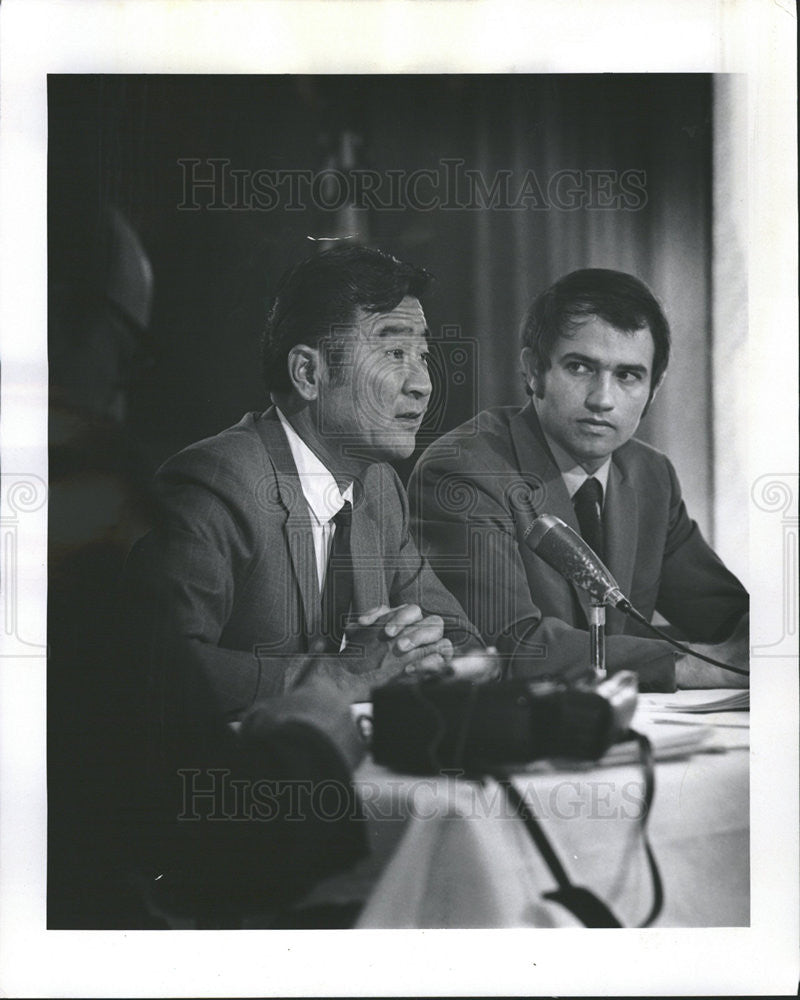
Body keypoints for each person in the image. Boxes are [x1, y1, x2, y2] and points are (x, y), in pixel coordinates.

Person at [125, 245, 497, 924]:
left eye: (423, 355)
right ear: (308, 372)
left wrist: (435, 657)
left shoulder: (377, 486)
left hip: (333, 810)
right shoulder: (218, 483)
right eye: (394, 353)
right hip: (226, 842)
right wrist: (343, 676)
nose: (422, 385)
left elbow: (459, 633)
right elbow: (154, 675)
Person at [408, 268, 749, 693]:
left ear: (654, 390)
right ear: (534, 371)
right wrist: (701, 667)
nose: (602, 399)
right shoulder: (464, 470)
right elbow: (512, 647)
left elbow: (728, 619)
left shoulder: (651, 476)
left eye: (628, 375)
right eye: (580, 367)